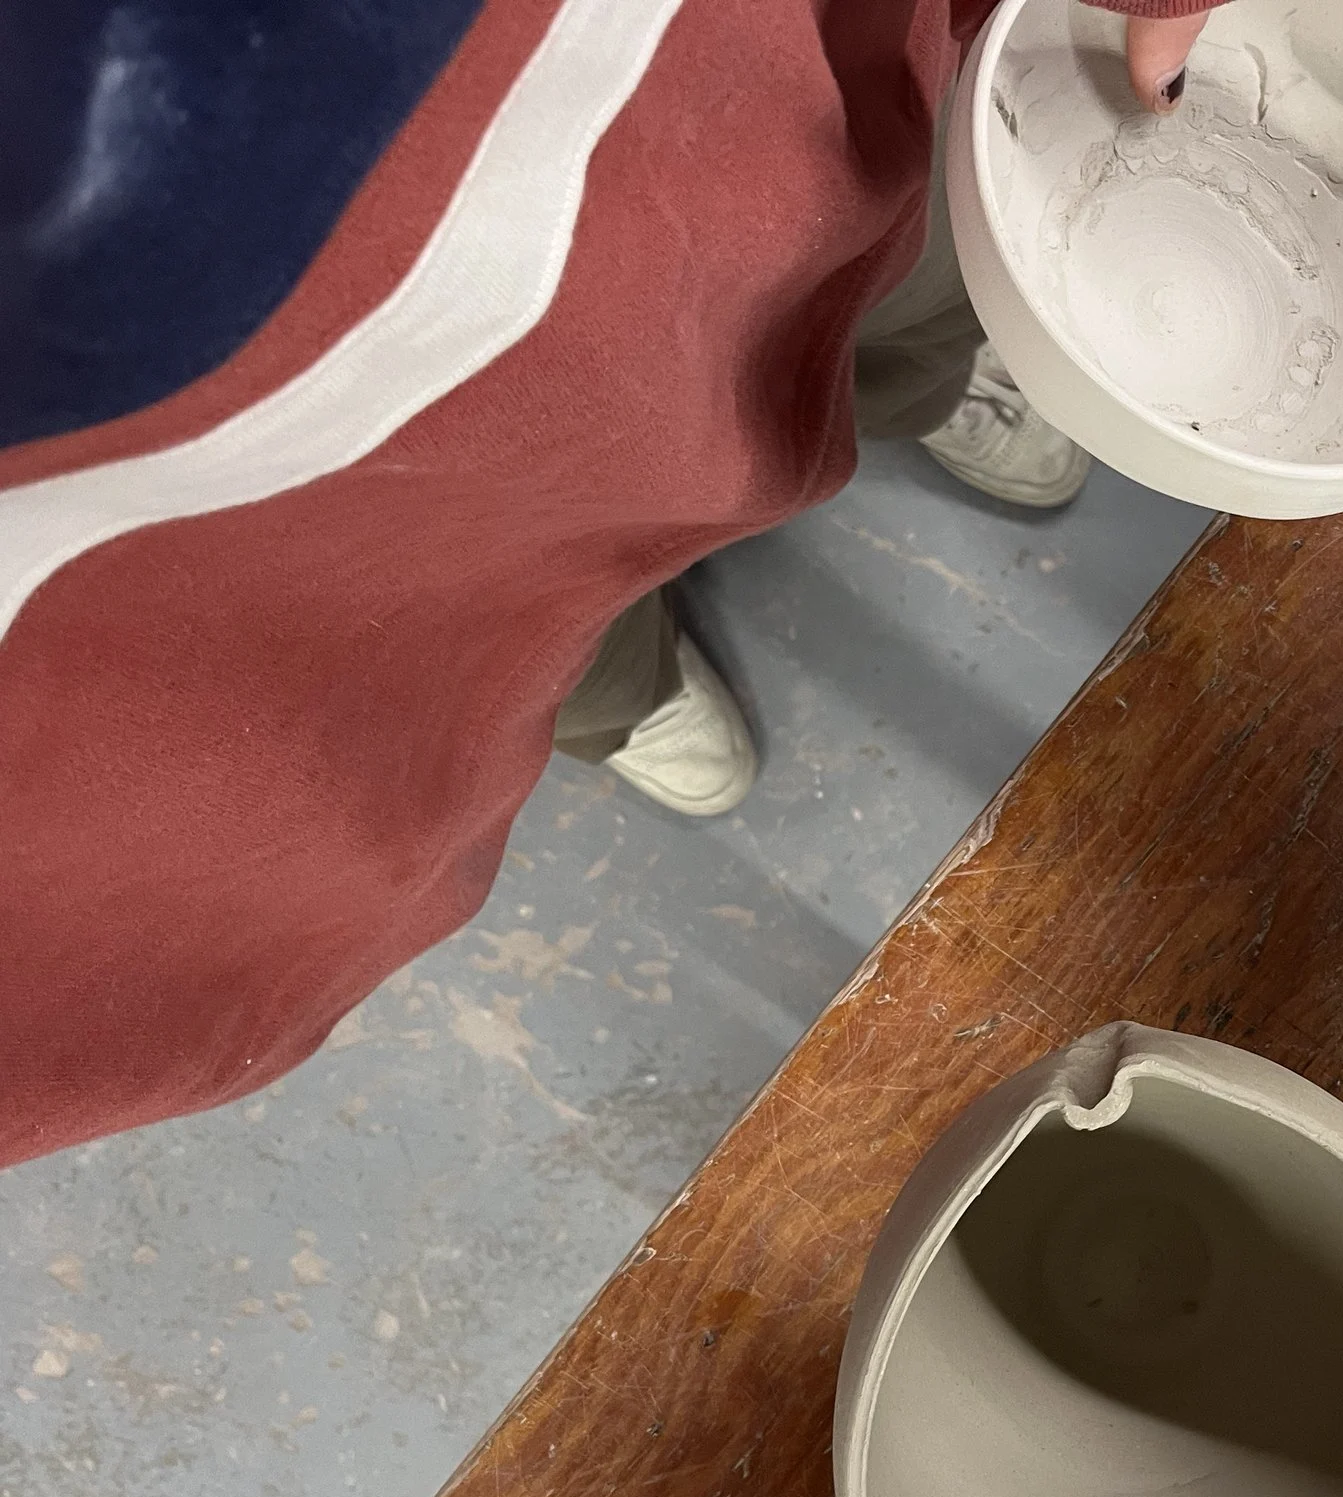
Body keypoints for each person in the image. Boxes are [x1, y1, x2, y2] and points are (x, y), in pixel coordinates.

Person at [0, 0, 1212, 1168]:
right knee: (430, 576)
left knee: (876, 209)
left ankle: (916, 379)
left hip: (690, 43)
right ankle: (614, 684)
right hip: (183, 351)